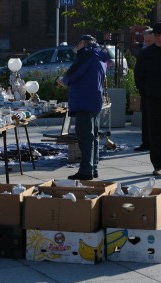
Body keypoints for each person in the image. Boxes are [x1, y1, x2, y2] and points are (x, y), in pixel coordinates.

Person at [57, 34, 109, 180]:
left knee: (85, 136)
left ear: (83, 43)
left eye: (78, 45)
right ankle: (93, 167)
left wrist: (62, 81)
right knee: (93, 137)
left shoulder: (87, 55)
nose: (76, 48)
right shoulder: (100, 56)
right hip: (95, 99)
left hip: (84, 100)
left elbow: (72, 74)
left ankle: (86, 170)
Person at [134, 22, 161, 176]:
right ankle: (158, 165)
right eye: (156, 36)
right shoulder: (146, 54)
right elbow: (138, 75)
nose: (158, 39)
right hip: (153, 98)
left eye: (160, 36)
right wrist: (145, 91)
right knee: (155, 132)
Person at [134, 27, 154, 152]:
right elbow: (138, 73)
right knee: (146, 118)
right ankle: (146, 142)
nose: (146, 43)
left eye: (148, 41)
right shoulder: (144, 52)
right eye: (145, 40)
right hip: (146, 91)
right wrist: (141, 88)